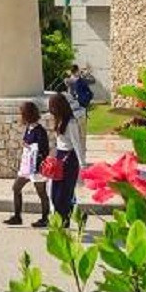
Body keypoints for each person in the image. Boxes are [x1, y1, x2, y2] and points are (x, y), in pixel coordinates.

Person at [4, 101, 51, 227]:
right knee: (16, 188)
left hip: (36, 167)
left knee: (41, 193)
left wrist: (31, 147)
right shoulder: (29, 128)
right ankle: (17, 216)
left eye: (21, 114)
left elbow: (44, 149)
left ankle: (45, 218)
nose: (20, 116)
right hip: (27, 166)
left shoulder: (40, 131)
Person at [47, 92, 85, 225]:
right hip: (60, 156)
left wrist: (82, 165)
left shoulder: (71, 122)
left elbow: (76, 143)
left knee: (64, 192)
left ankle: (65, 220)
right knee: (55, 191)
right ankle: (62, 218)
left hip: (69, 158)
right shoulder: (60, 120)